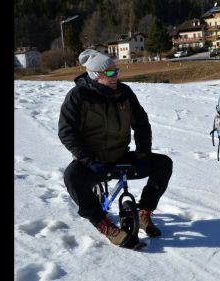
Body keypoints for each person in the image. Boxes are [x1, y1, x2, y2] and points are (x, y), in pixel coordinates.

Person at [58, 49, 173, 246]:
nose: (116, 77)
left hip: (120, 156)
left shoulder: (124, 93)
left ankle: (144, 212)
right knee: (72, 177)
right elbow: (67, 132)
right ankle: (101, 222)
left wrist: (143, 155)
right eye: (110, 73)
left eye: (117, 71)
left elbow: (142, 124)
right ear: (96, 76)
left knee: (163, 164)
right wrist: (89, 161)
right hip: (93, 162)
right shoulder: (78, 96)